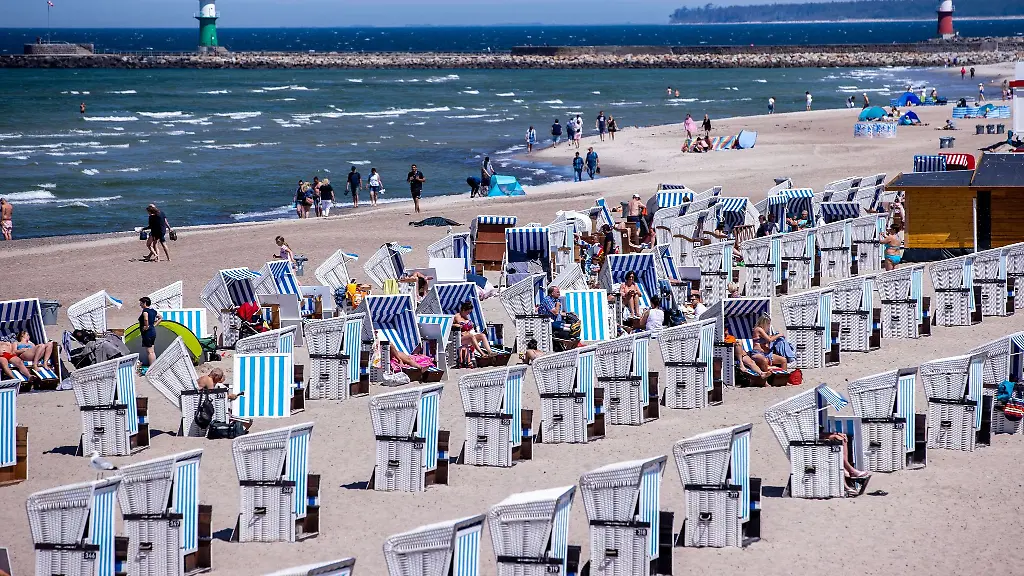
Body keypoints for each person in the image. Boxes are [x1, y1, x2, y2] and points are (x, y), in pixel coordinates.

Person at [138, 297, 161, 366]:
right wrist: (153, 325)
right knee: (152, 351)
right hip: (152, 331)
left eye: (141, 303)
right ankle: (153, 366)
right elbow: (160, 317)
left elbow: (145, 319)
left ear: (144, 303)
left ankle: (151, 368)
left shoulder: (145, 311)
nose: (140, 305)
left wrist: (146, 326)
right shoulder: (153, 311)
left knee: (149, 351)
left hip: (147, 333)